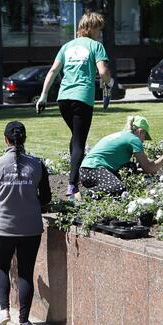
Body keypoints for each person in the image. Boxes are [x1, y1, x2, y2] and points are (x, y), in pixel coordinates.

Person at [0, 121, 51, 325]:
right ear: (24, 139)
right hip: (31, 227)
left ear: (5, 140)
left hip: (3, 226)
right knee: (25, 273)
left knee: (0, 267)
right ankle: (24, 322)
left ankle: (3, 310)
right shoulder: (38, 165)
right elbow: (46, 197)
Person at [35, 12, 113, 200]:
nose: (100, 34)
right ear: (92, 28)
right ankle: (72, 186)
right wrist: (109, 83)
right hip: (82, 98)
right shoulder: (96, 46)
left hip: (63, 99)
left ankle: (74, 176)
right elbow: (103, 72)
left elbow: (53, 70)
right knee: (79, 141)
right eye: (99, 29)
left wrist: (43, 96)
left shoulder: (66, 46)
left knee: (75, 138)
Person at [79, 116, 163, 197]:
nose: (143, 140)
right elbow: (149, 168)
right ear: (140, 131)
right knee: (118, 187)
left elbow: (144, 165)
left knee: (131, 167)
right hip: (93, 169)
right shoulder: (134, 139)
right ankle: (84, 195)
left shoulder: (123, 135)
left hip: (86, 170)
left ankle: (97, 188)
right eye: (145, 136)